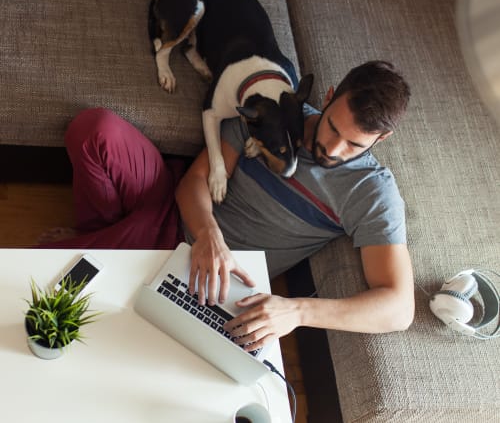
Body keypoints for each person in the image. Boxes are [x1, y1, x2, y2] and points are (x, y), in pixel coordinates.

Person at [39, 60, 415, 351]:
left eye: (354, 144)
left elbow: (398, 308)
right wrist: (208, 234)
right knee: (95, 128)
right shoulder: (275, 113)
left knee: (53, 291)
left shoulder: (371, 193)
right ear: (330, 95)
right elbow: (196, 180)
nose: (332, 149)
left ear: (383, 138)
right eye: (332, 127)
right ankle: (101, 235)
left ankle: (99, 242)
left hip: (206, 277)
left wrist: (296, 311)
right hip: (175, 208)